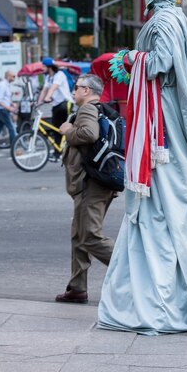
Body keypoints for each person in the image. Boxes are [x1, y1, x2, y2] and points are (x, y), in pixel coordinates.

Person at [98, 0, 187, 335]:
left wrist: (129, 58)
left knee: (162, 193)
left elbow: (160, 63)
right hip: (164, 115)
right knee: (166, 193)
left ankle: (160, 302)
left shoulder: (162, 22)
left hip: (157, 115)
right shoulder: (177, 19)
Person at [55, 74, 116, 304]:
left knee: (89, 236)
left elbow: (89, 134)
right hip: (92, 183)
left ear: (87, 91)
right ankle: (77, 287)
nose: (73, 91)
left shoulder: (88, 110)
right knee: (79, 235)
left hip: (91, 184)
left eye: (77, 87)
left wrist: (68, 130)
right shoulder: (99, 109)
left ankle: (134, 270)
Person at [38, 58, 71, 150]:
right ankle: (58, 151)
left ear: (49, 67)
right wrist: (38, 102)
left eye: (44, 66)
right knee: (55, 128)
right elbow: (44, 90)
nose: (42, 68)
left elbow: (53, 88)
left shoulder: (59, 75)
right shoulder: (48, 77)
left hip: (65, 104)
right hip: (56, 105)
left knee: (64, 127)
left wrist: (47, 98)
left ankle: (68, 147)